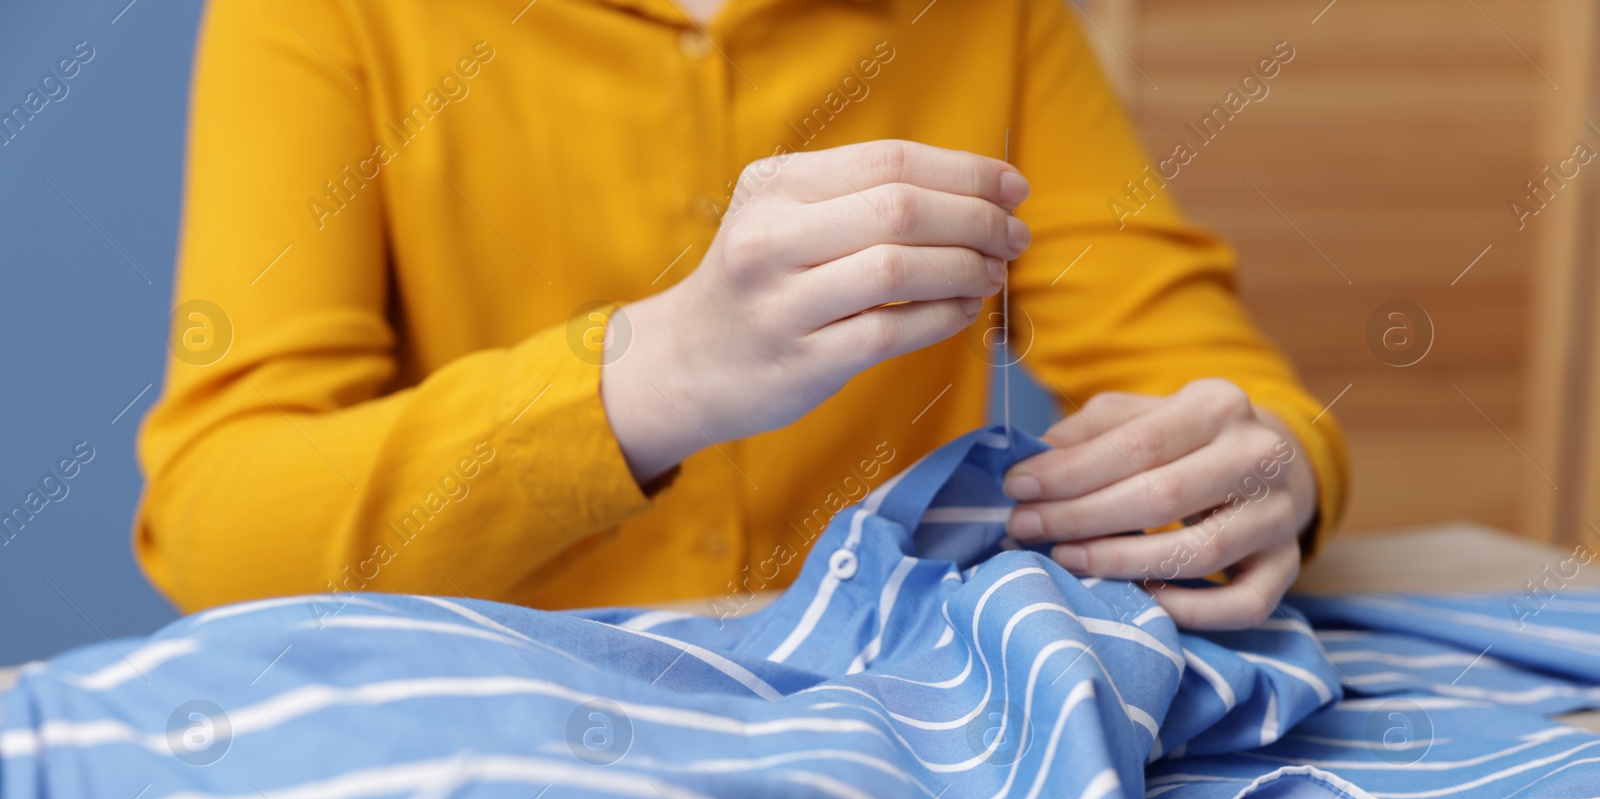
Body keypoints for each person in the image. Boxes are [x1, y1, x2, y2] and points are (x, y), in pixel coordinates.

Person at [136, 0, 1346, 630]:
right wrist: (650, 374)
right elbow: (218, 529)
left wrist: (1274, 467)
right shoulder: (324, 15)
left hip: (880, 755)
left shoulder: (992, 17)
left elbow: (1218, 385)